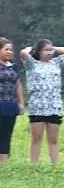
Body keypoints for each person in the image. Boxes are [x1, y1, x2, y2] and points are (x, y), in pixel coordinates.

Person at [20, 39, 64, 165]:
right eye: (46, 50)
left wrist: (53, 47)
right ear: (39, 51)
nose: (49, 52)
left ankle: (55, 166)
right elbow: (23, 53)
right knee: (36, 138)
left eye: (51, 50)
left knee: (53, 139)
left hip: (54, 106)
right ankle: (34, 165)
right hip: (38, 106)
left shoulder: (56, 62)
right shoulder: (32, 64)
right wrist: (32, 49)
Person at [0, 37, 25, 165]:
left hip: (10, 105)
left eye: (11, 49)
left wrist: (21, 103)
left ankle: (3, 164)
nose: (9, 52)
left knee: (6, 134)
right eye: (6, 49)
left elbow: (18, 85)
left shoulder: (14, 67)